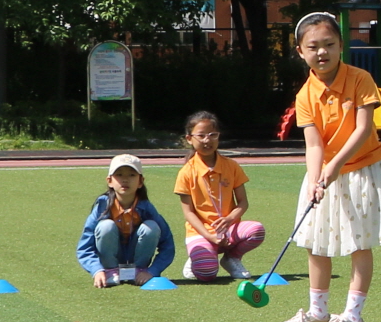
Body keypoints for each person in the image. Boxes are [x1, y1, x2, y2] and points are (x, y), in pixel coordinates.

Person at [273, 11, 381, 322]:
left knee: (359, 243)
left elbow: (362, 130)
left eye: (329, 44)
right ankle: (318, 313)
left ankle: (353, 318)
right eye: (313, 46)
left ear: (341, 45)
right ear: (300, 52)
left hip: (362, 169)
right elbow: (314, 145)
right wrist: (315, 178)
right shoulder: (305, 95)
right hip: (325, 174)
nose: (322, 52)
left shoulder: (360, 79)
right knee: (316, 243)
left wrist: (332, 169)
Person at [173, 109, 265, 281]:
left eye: (212, 135)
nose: (207, 140)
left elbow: (243, 203)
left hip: (228, 229)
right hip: (201, 232)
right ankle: (199, 254)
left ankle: (231, 258)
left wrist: (229, 219)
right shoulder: (186, 172)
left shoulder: (231, 166)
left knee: (256, 230)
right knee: (207, 274)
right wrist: (209, 236)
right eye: (201, 136)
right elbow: (188, 213)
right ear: (189, 139)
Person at [77, 155, 174, 287]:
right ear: (109, 181)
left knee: (151, 227)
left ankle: (139, 270)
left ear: (140, 181)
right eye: (119, 175)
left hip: (140, 268)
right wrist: (97, 270)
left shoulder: (147, 209)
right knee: (106, 226)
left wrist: (152, 271)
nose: (125, 180)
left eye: (132, 175)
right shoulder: (102, 208)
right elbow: (84, 247)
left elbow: (167, 245)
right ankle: (110, 271)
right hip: (108, 265)